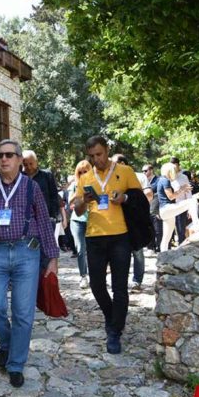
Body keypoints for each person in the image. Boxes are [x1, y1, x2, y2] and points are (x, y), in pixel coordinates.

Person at [0, 139, 59, 388]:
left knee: (23, 313)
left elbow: (43, 223)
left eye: (9, 155)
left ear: (20, 160)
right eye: (0, 155)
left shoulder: (32, 188)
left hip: (26, 252)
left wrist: (52, 259)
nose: (4, 159)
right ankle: (8, 344)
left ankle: (16, 363)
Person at [73, 136, 141, 354]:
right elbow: (77, 209)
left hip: (121, 236)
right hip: (94, 237)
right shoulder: (86, 178)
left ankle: (115, 331)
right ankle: (112, 316)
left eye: (99, 154)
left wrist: (125, 198)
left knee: (120, 287)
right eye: (92, 156)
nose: (96, 159)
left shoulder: (125, 171)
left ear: (108, 150)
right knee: (96, 285)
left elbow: (141, 200)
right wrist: (84, 200)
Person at [112, 154, 152, 291]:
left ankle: (137, 280)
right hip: (118, 219)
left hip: (135, 219)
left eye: (115, 162)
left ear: (123, 163)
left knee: (138, 251)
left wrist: (131, 199)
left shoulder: (139, 177)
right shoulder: (110, 177)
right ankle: (120, 282)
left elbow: (148, 195)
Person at [157, 162, 199, 252]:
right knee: (192, 201)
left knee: (166, 237)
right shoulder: (165, 180)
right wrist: (182, 189)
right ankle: (196, 224)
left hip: (165, 211)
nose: (175, 173)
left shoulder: (162, 180)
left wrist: (182, 188)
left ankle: (163, 255)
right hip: (167, 208)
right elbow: (171, 196)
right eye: (174, 170)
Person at [68, 160, 92, 288]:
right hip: (77, 220)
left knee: (93, 249)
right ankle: (83, 276)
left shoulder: (95, 183)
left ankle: (96, 275)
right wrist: (79, 192)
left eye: (85, 171)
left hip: (93, 220)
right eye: (80, 172)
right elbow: (69, 201)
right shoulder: (75, 185)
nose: (83, 174)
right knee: (80, 249)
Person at [170, 157, 192, 245]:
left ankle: (182, 246)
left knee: (181, 229)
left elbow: (188, 193)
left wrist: (190, 208)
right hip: (170, 206)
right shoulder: (168, 177)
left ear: (178, 165)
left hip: (181, 205)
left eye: (175, 166)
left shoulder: (184, 177)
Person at [143, 164, 162, 252]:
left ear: (151, 170)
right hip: (146, 208)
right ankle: (150, 247)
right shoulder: (143, 181)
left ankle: (159, 247)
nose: (144, 172)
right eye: (143, 171)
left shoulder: (158, 180)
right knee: (149, 229)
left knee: (157, 228)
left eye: (145, 171)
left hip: (156, 207)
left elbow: (160, 195)